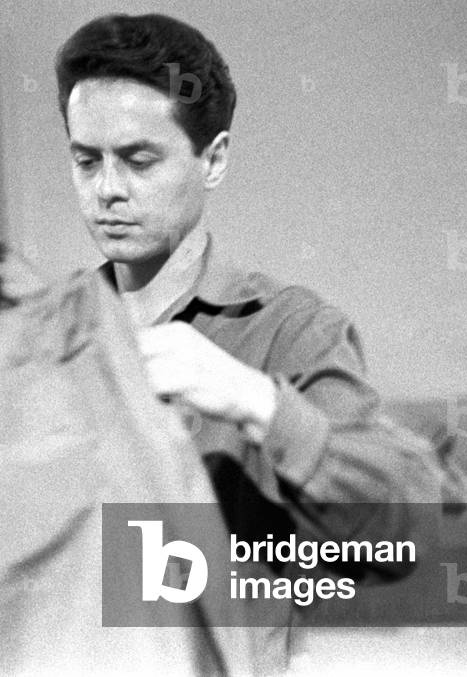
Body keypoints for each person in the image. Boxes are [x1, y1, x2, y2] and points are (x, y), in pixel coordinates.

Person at [55, 10, 439, 644]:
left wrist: (256, 401)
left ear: (214, 160)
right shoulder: (50, 332)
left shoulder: (294, 332)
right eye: (86, 161)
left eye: (138, 159)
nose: (107, 190)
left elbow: (402, 533)